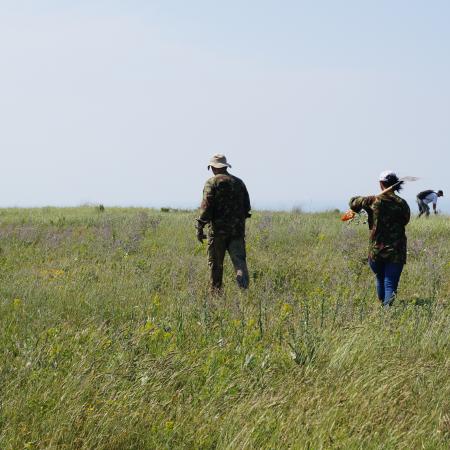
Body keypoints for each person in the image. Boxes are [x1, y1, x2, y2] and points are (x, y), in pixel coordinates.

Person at [349, 170, 410, 307]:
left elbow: (353, 203)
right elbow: (405, 220)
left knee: (380, 278)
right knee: (390, 282)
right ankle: (387, 312)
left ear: (381, 183)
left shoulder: (372, 201)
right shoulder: (402, 204)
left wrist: (368, 199)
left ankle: (383, 308)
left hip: (376, 250)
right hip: (396, 250)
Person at [196, 154, 251, 292]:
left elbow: (206, 208)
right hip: (237, 232)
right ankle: (244, 290)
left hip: (217, 233)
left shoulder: (212, 183)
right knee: (240, 263)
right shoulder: (239, 183)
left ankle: (216, 295)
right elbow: (247, 208)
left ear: (213, 167)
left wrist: (200, 228)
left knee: (216, 265)